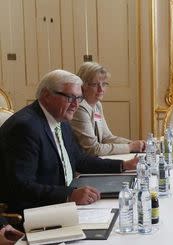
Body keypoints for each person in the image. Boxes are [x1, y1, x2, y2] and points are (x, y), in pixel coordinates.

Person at [0, 69, 138, 213]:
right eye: (70, 97)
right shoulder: (26, 127)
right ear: (46, 95)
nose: (76, 104)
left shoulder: (61, 119)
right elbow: (22, 186)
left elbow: (79, 159)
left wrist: (123, 165)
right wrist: (69, 195)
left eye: (79, 98)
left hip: (63, 202)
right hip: (36, 212)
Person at [70, 62, 145, 156]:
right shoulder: (80, 107)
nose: (101, 89)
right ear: (83, 86)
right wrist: (130, 147)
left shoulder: (97, 105)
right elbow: (93, 149)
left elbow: (106, 138)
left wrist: (134, 144)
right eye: (95, 85)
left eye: (104, 84)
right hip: (82, 165)